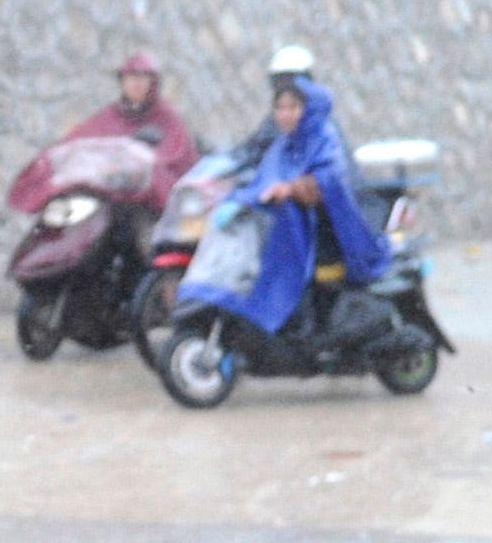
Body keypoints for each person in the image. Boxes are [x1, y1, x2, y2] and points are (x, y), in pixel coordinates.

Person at [176, 45, 389, 341]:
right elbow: (258, 157)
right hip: (297, 218)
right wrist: (241, 196)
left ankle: (302, 334)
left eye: (294, 84)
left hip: (330, 226)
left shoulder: (325, 134)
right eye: (280, 86)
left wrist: (291, 189)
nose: (286, 105)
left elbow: (327, 182)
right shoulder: (285, 134)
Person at [61, 49, 200, 209]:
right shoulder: (111, 114)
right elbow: (83, 138)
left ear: (153, 83)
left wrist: (142, 162)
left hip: (148, 201)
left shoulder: (166, 117)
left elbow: (172, 155)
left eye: (142, 78)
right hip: (105, 191)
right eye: (130, 78)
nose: (136, 83)